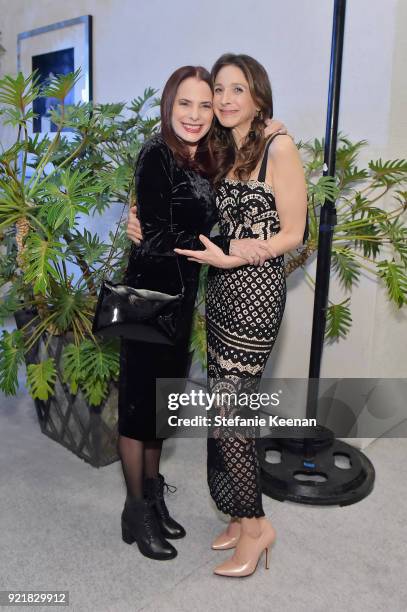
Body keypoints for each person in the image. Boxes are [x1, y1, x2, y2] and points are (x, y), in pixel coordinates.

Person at [128, 53, 307, 577]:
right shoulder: (224, 149)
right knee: (221, 414)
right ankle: (236, 513)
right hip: (219, 295)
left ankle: (256, 529)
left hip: (254, 295)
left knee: (232, 418)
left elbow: (295, 233)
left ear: (257, 94)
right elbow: (182, 207)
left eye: (234, 91)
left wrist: (234, 255)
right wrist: (133, 216)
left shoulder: (279, 145)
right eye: (217, 93)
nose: (224, 102)